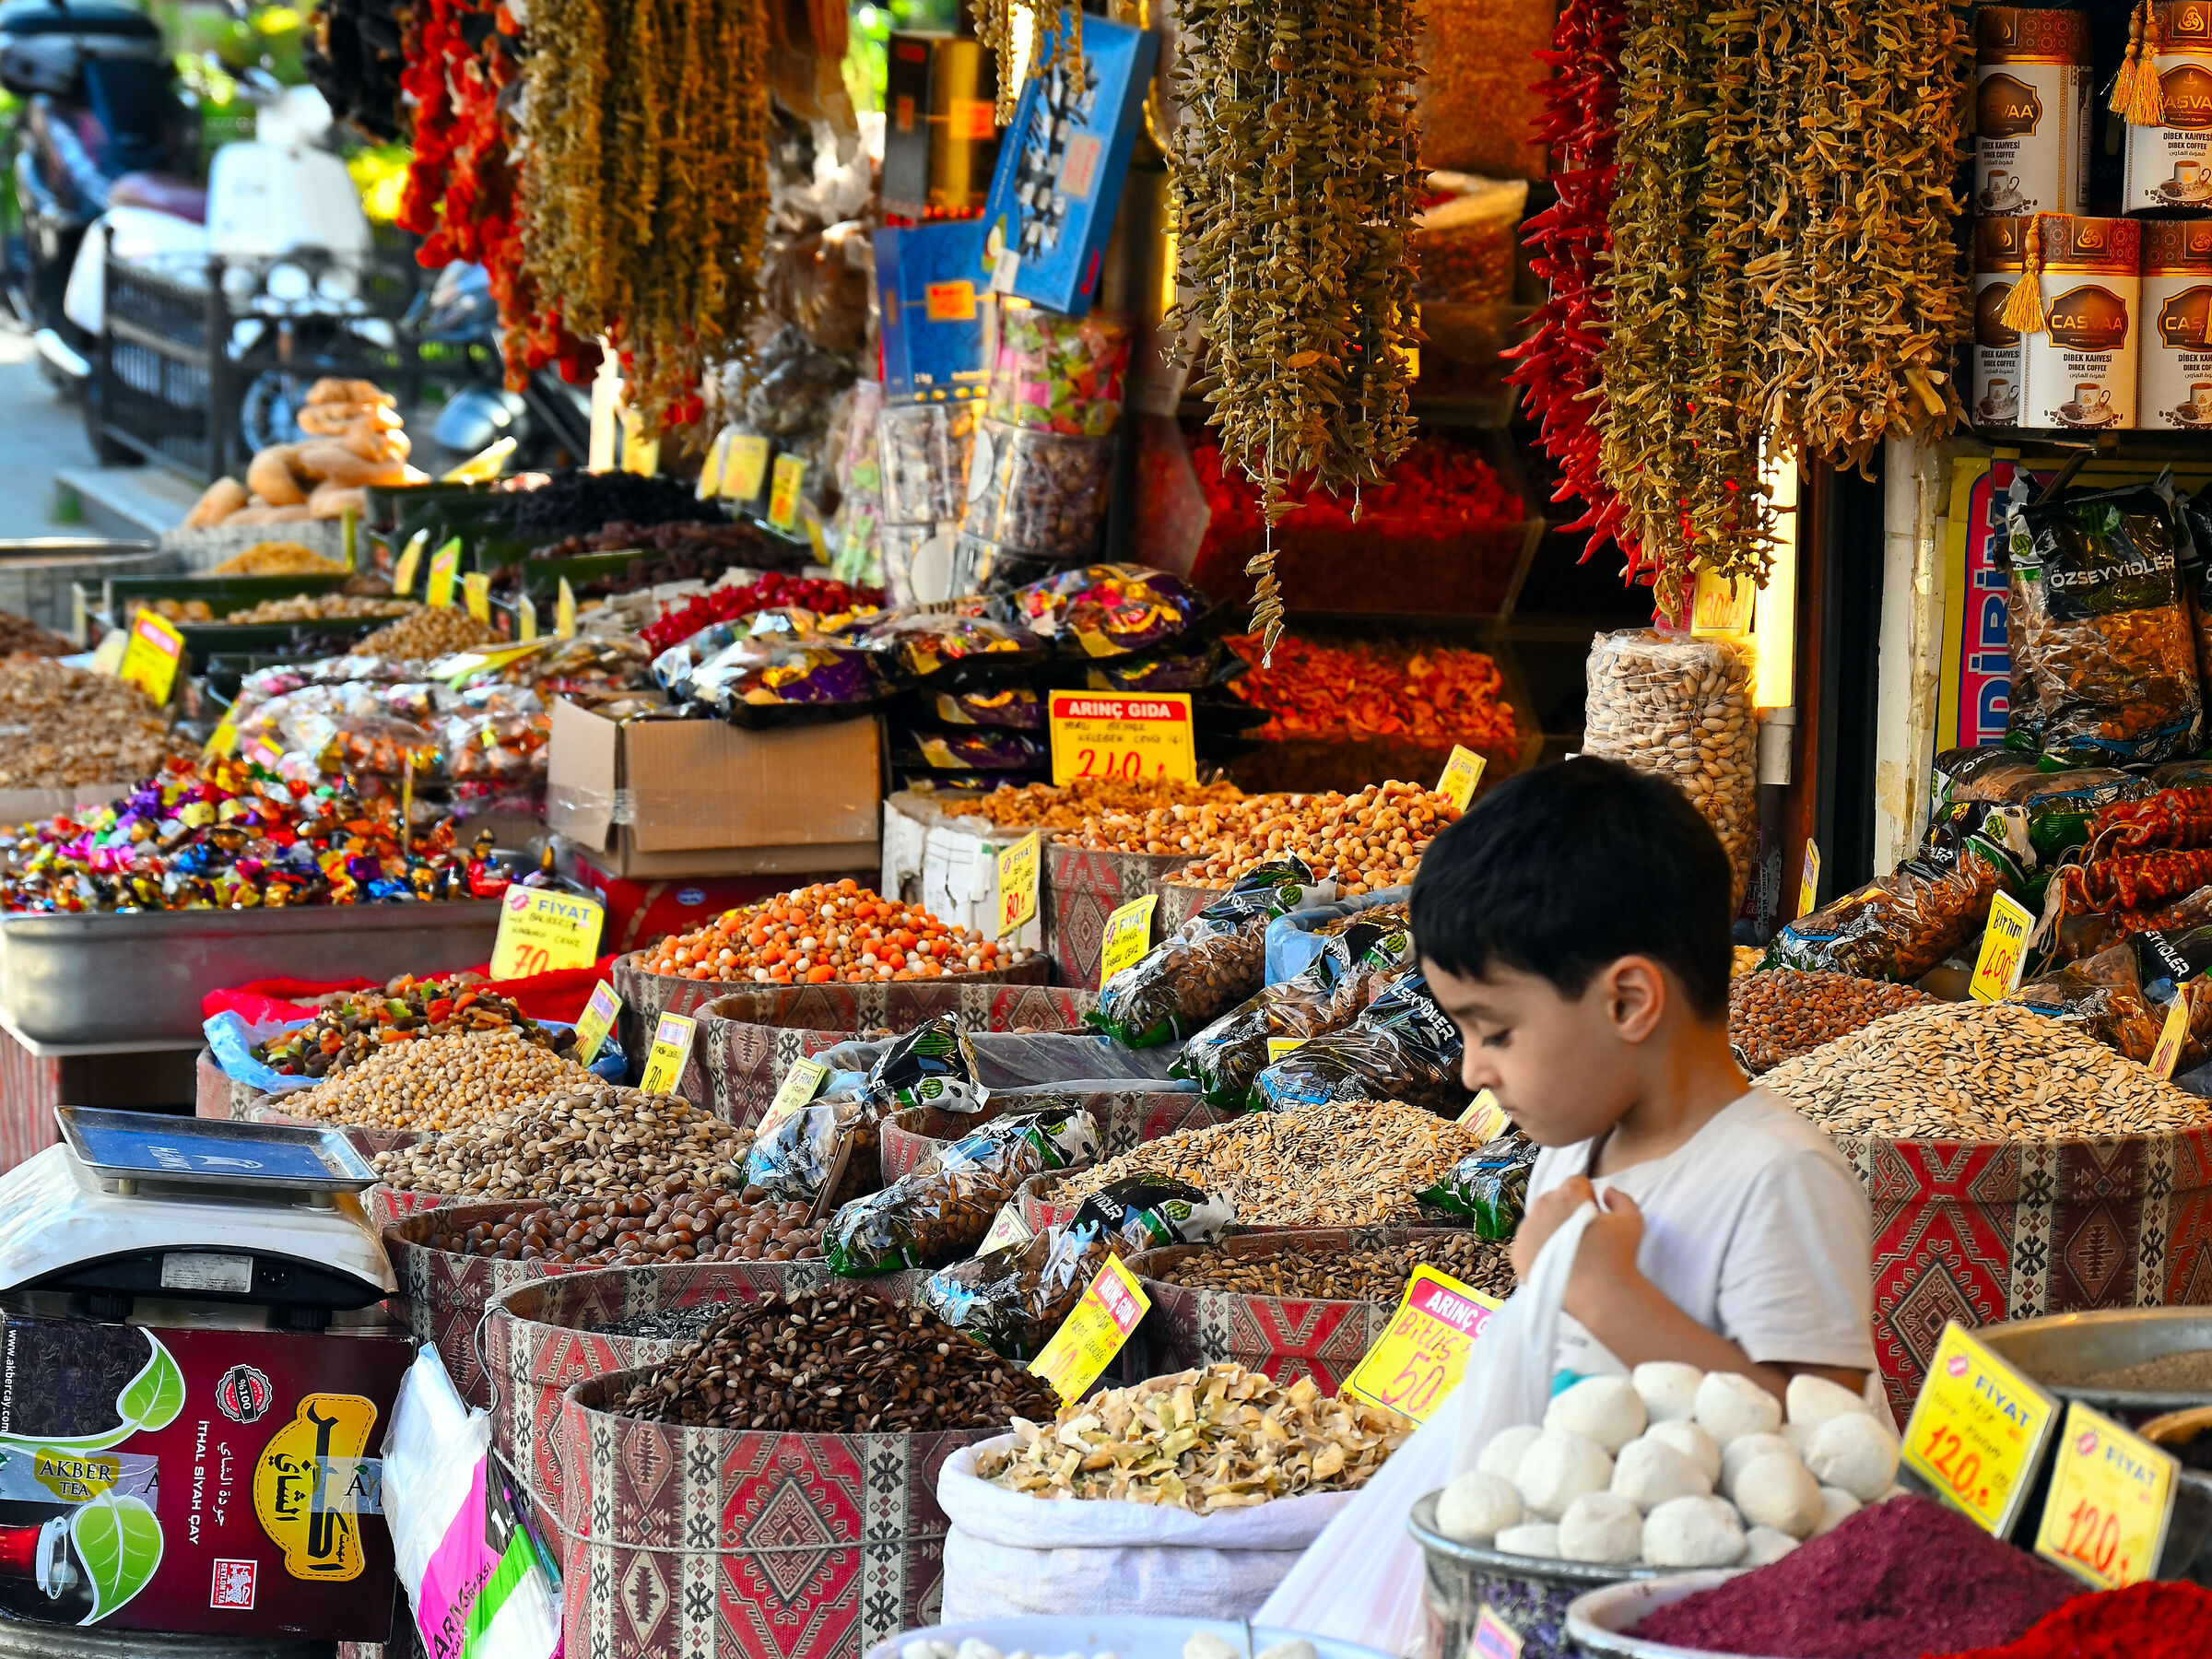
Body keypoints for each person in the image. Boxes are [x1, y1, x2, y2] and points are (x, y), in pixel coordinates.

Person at [1254, 757, 1876, 1648]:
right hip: (1556, 1589)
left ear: (1628, 999)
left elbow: (1823, 1455)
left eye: (1495, 1031)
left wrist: (1607, 1297)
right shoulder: (1568, 1156)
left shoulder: (1776, 1178)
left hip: (1706, 1624)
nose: (1472, 1070)